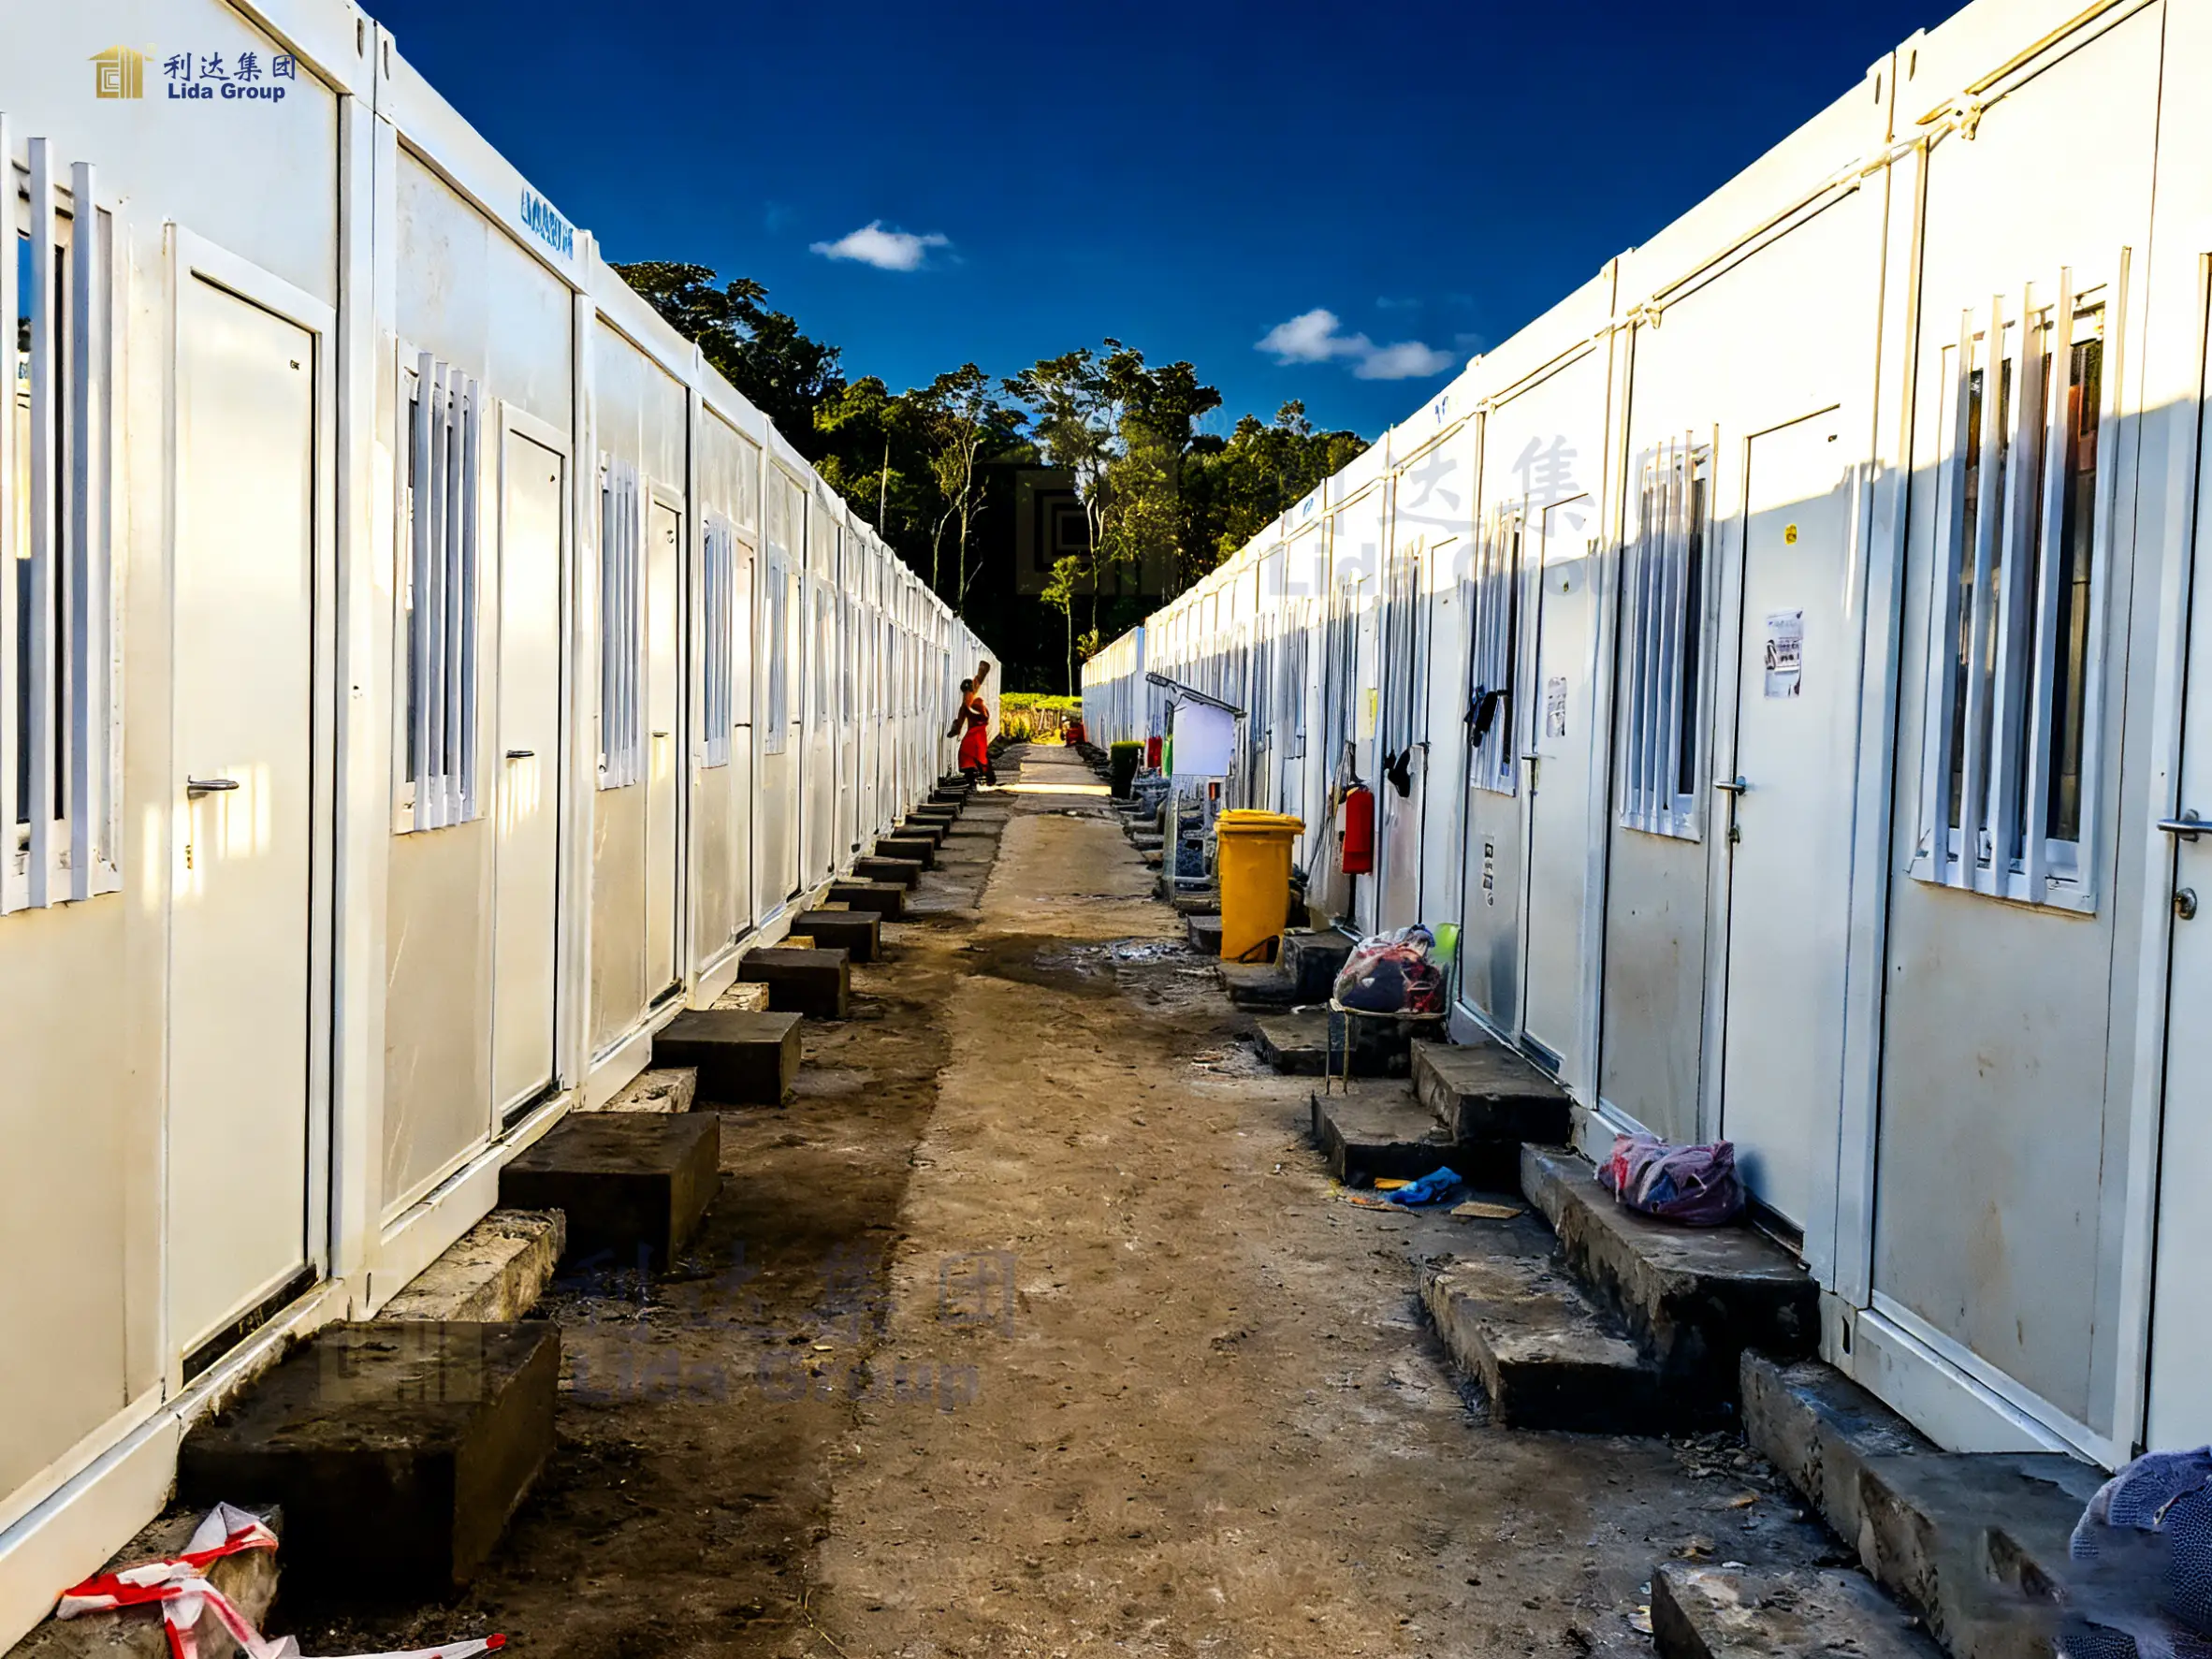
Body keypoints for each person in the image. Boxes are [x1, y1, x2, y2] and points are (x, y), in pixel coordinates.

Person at [947, 660, 996, 787]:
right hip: (972, 734)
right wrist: (955, 729)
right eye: (964, 693)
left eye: (967, 692)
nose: (965, 695)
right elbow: (960, 720)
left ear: (971, 691)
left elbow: (985, 717)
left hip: (978, 734)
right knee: (965, 752)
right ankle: (971, 776)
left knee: (979, 755)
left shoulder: (977, 703)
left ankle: (987, 776)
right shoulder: (966, 705)